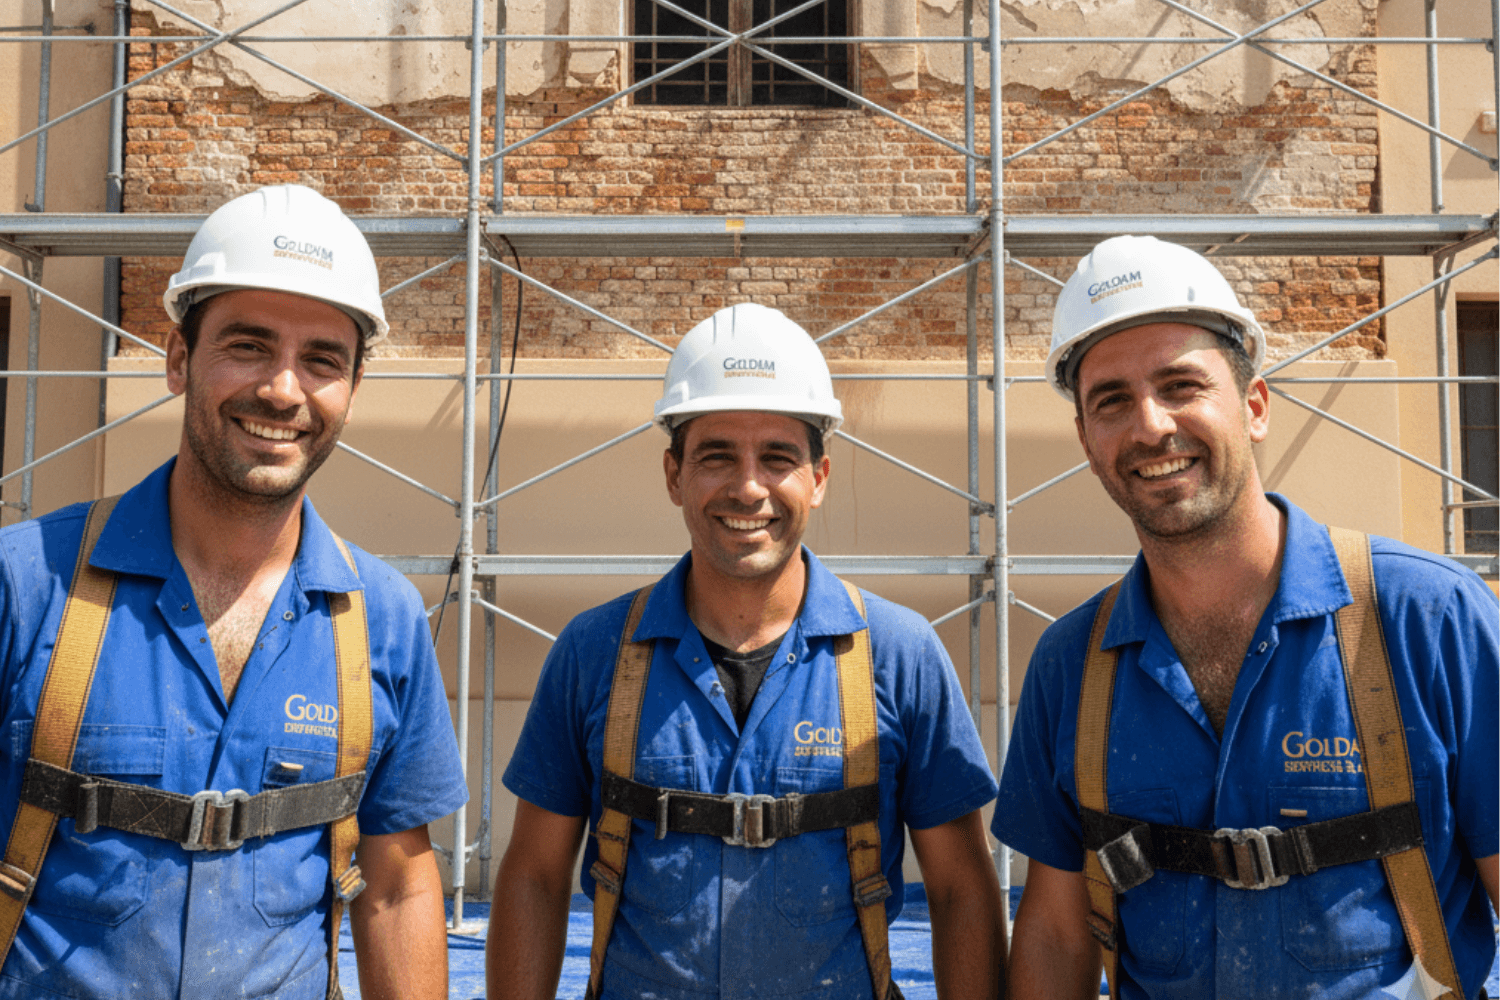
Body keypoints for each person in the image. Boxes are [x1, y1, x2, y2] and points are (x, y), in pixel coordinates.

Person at [993, 234, 1499, 1000]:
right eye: (1113, 401)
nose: (1151, 426)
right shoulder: (1072, 668)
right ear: (1089, 442)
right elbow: (1059, 934)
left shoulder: (1427, 618)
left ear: (1254, 407)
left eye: (1181, 385)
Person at [0, 184, 468, 999]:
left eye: (322, 359)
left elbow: (395, 885)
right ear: (179, 359)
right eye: (249, 346)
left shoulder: (381, 621)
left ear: (352, 389)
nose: (284, 390)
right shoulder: (26, 582)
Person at [487, 303, 1005, 1000]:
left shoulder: (898, 655)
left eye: (779, 458)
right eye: (717, 455)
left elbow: (961, 889)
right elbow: (535, 878)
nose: (749, 487)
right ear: (673, 475)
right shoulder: (594, 653)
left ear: (819, 478)